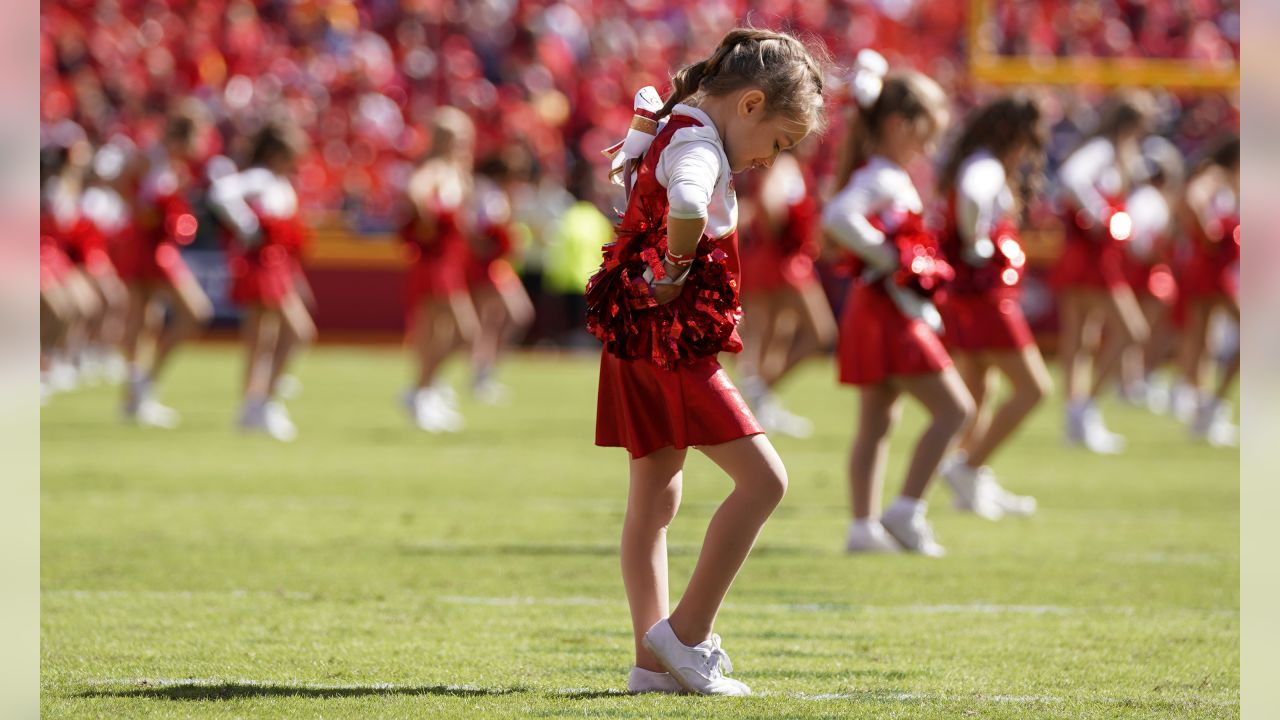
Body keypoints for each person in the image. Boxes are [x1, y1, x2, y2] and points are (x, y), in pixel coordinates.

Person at [585, 28, 826, 695]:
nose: (767, 160)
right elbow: (689, 200)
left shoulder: (678, 127)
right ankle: (685, 636)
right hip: (668, 343)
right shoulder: (697, 143)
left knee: (655, 502)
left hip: (640, 336)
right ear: (750, 105)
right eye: (777, 142)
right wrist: (679, 264)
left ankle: (650, 664)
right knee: (765, 482)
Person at [822, 50, 969, 556]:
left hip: (875, 307)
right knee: (956, 409)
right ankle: (906, 510)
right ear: (898, 124)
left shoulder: (885, 172)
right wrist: (890, 258)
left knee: (878, 421)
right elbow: (839, 217)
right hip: (887, 310)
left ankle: (863, 526)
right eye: (925, 131)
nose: (929, 146)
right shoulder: (882, 175)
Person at [935, 95, 1050, 520]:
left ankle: (969, 478)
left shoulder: (978, 160)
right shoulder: (985, 166)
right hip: (986, 297)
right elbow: (970, 198)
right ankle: (967, 467)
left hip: (976, 294)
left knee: (981, 389)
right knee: (1034, 388)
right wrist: (977, 241)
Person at [1050, 92, 1155, 453]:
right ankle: (1084, 409)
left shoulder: (1118, 153)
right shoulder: (1104, 149)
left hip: (1094, 256)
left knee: (1083, 337)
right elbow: (1070, 178)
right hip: (1092, 257)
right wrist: (1099, 217)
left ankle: (1077, 417)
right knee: (1131, 330)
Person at [208, 124, 316, 441]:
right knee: (270, 335)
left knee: (274, 336)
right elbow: (221, 193)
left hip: (281, 267)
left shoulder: (282, 184)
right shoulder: (260, 178)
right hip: (263, 265)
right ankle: (258, 404)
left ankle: (257, 403)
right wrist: (249, 227)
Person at [116, 105, 214, 428]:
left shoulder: (174, 164)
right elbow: (119, 182)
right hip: (147, 247)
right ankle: (139, 391)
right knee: (188, 313)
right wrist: (138, 211)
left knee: (149, 319)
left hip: (159, 246)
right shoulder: (151, 157)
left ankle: (138, 394)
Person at [736, 148, 836, 438]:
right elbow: (768, 203)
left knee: (776, 336)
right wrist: (781, 237)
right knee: (819, 332)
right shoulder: (785, 162)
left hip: (774, 259)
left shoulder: (783, 162)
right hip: (784, 262)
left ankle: (760, 402)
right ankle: (758, 395)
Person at [400, 108, 480, 433]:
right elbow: (414, 192)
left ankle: (426, 390)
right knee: (463, 331)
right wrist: (430, 222)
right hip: (437, 262)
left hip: (453, 260)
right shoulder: (435, 168)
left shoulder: (458, 172)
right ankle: (420, 390)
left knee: (441, 332)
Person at [1175, 134, 1239, 446]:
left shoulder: (1226, 177)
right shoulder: (1216, 174)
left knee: (1205, 340)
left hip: (1215, 268)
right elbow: (1192, 200)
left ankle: (1205, 410)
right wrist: (1210, 234)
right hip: (1215, 269)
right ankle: (1210, 407)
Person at [466, 151, 535, 404]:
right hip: (488, 265)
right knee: (506, 316)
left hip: (497, 265)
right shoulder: (489, 194)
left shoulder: (496, 195)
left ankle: (483, 374)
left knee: (496, 319)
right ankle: (480, 375)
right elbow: (479, 231)